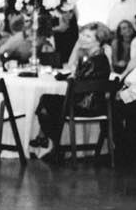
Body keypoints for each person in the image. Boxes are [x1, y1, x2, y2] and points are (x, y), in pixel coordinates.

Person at [29, 22, 112, 159]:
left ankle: (51, 142)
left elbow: (77, 82)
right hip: (95, 104)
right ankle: (47, 140)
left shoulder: (93, 60)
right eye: (82, 35)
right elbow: (79, 76)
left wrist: (71, 76)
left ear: (98, 41)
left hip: (85, 105)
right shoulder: (98, 58)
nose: (82, 38)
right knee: (48, 100)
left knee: (46, 101)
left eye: (88, 36)